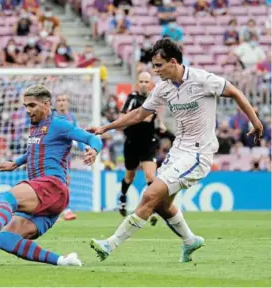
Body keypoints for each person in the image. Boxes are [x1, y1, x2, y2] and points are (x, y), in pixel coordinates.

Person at [88, 38, 263, 263]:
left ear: (173, 62)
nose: (155, 70)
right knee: (162, 204)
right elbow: (140, 113)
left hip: (199, 153)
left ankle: (109, 245)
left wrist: (256, 123)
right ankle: (190, 240)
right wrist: (105, 127)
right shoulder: (163, 89)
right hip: (178, 151)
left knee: (150, 194)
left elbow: (236, 92)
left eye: (159, 65)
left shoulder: (202, 80)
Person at [0, 84, 103, 266]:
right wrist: (16, 163)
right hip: (46, 200)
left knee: (6, 197)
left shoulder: (59, 124)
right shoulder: (36, 127)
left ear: (46, 104)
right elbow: (35, 151)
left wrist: (94, 150)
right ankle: (63, 260)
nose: (28, 111)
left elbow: (92, 138)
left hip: (52, 187)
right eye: (26, 106)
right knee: (6, 239)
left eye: (32, 105)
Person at [119, 72, 166, 227]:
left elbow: (156, 113)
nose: (144, 84)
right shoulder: (132, 98)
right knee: (129, 177)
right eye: (141, 81)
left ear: (150, 83)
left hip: (148, 143)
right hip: (132, 143)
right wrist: (137, 118)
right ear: (137, 83)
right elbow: (122, 116)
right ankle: (123, 197)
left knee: (150, 176)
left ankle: (152, 208)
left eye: (147, 81)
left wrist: (161, 123)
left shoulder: (154, 97)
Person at [53, 93, 85, 221]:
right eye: (59, 100)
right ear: (56, 103)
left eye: (64, 100)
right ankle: (65, 210)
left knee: (64, 182)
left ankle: (62, 211)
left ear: (68, 103)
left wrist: (84, 149)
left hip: (66, 156)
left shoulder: (71, 118)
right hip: (53, 155)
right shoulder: (52, 117)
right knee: (60, 182)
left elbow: (78, 135)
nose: (61, 102)